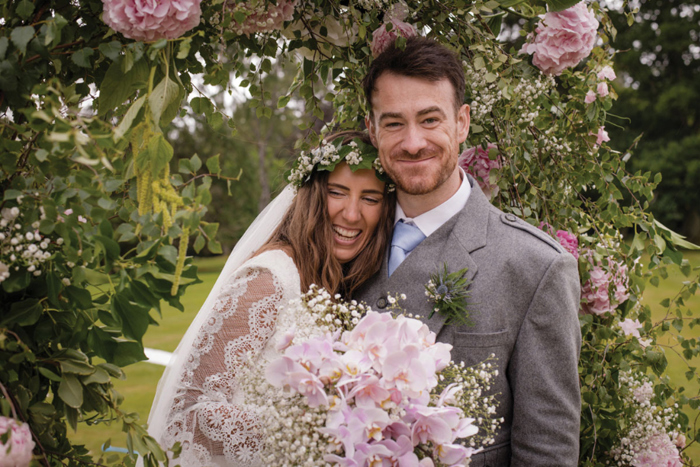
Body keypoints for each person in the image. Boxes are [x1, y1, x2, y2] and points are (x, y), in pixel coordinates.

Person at [356, 37, 582, 466]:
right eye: (393, 123)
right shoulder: (343, 243)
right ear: (372, 129)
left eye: (429, 119)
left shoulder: (537, 268)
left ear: (462, 123)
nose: (413, 142)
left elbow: (547, 452)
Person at [145, 131, 394, 466]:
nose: (351, 214)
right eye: (337, 192)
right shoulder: (270, 278)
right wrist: (308, 435)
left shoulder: (337, 285)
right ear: (313, 196)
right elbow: (189, 410)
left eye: (370, 198)